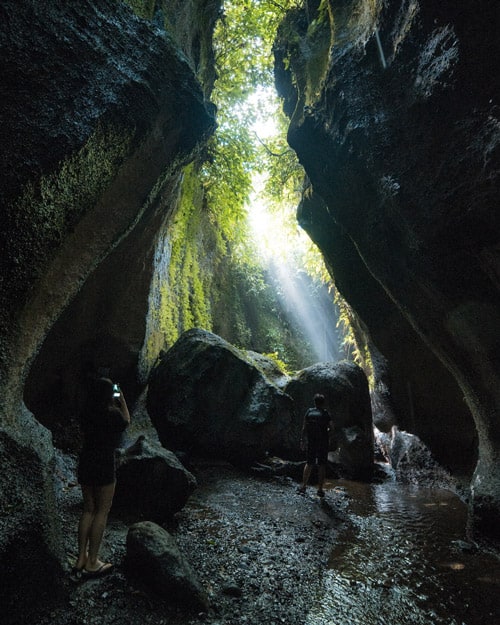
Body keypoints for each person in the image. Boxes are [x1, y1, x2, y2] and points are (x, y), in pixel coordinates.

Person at [73, 376, 130, 580]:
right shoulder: (112, 415)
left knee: (88, 509)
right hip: (104, 465)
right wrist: (120, 397)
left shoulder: (86, 414)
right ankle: (93, 561)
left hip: (86, 463)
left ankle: (80, 557)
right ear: (108, 395)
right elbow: (126, 420)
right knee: (102, 512)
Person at [298, 393, 332, 498]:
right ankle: (320, 489)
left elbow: (304, 428)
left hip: (311, 441)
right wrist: (328, 435)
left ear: (314, 402)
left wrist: (302, 440)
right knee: (321, 465)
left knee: (309, 463)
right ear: (323, 403)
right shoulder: (326, 414)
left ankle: (303, 487)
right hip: (323, 442)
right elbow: (332, 428)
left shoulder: (309, 412)